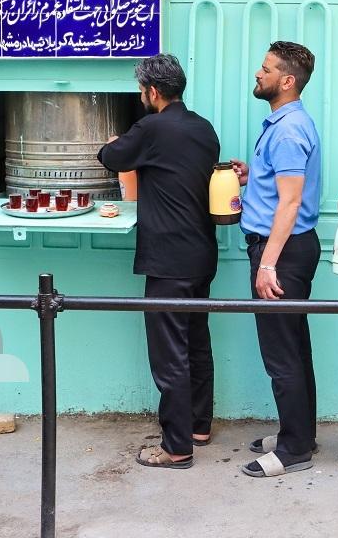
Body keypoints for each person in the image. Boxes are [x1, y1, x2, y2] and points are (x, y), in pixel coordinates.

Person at [97, 54, 220, 470]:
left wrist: (111, 143)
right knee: (196, 340)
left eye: (141, 90)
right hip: (202, 252)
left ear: (152, 92)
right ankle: (199, 425)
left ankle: (176, 447)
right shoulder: (203, 127)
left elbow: (113, 159)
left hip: (168, 257)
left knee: (169, 353)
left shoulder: (151, 127)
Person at [230, 41, 323, 479]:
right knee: (294, 346)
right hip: (289, 249)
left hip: (281, 254)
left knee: (282, 353)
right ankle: (298, 432)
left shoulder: (286, 130)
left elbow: (289, 204)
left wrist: (267, 264)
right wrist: (254, 176)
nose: (257, 73)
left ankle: (294, 449)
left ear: (286, 81)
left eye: (265, 69)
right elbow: (280, 188)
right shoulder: (287, 123)